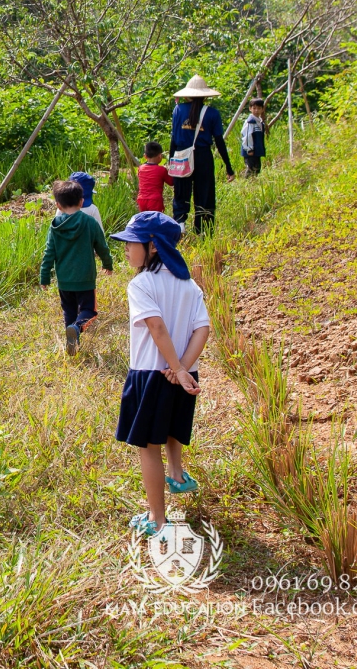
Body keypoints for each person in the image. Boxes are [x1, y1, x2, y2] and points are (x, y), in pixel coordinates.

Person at [111, 210, 210, 537]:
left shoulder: (141, 284)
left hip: (151, 375)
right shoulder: (190, 284)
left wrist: (176, 367)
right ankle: (178, 475)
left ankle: (157, 519)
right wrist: (183, 367)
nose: (125, 249)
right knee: (170, 429)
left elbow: (156, 327)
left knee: (148, 448)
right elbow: (202, 329)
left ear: (153, 246)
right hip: (180, 373)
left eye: (131, 243)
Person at [39, 178, 115, 356]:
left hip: (64, 280)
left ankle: (72, 340)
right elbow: (102, 247)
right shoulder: (89, 223)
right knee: (89, 310)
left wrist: (44, 277)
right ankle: (76, 328)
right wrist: (108, 264)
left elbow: (49, 253)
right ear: (81, 201)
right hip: (85, 279)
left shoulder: (55, 227)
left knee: (69, 310)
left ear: (58, 204)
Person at [168, 75, 235, 233]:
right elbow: (219, 141)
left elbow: (174, 138)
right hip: (203, 157)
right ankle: (202, 228)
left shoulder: (178, 109)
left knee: (181, 191)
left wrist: (171, 160)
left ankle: (180, 223)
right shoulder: (212, 113)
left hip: (181, 154)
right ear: (205, 95)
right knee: (204, 192)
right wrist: (228, 167)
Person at [136, 142, 170, 214]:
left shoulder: (141, 168)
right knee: (155, 221)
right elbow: (171, 182)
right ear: (160, 156)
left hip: (141, 199)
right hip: (155, 200)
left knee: (145, 220)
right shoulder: (162, 170)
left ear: (145, 156)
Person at [240, 98, 268, 177]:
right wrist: (249, 149)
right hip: (250, 151)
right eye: (254, 108)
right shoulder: (250, 122)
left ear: (262, 109)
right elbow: (247, 136)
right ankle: (247, 185)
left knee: (257, 168)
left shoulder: (259, 121)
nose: (256, 110)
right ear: (250, 109)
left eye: (259, 108)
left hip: (256, 150)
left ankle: (253, 184)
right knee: (251, 168)